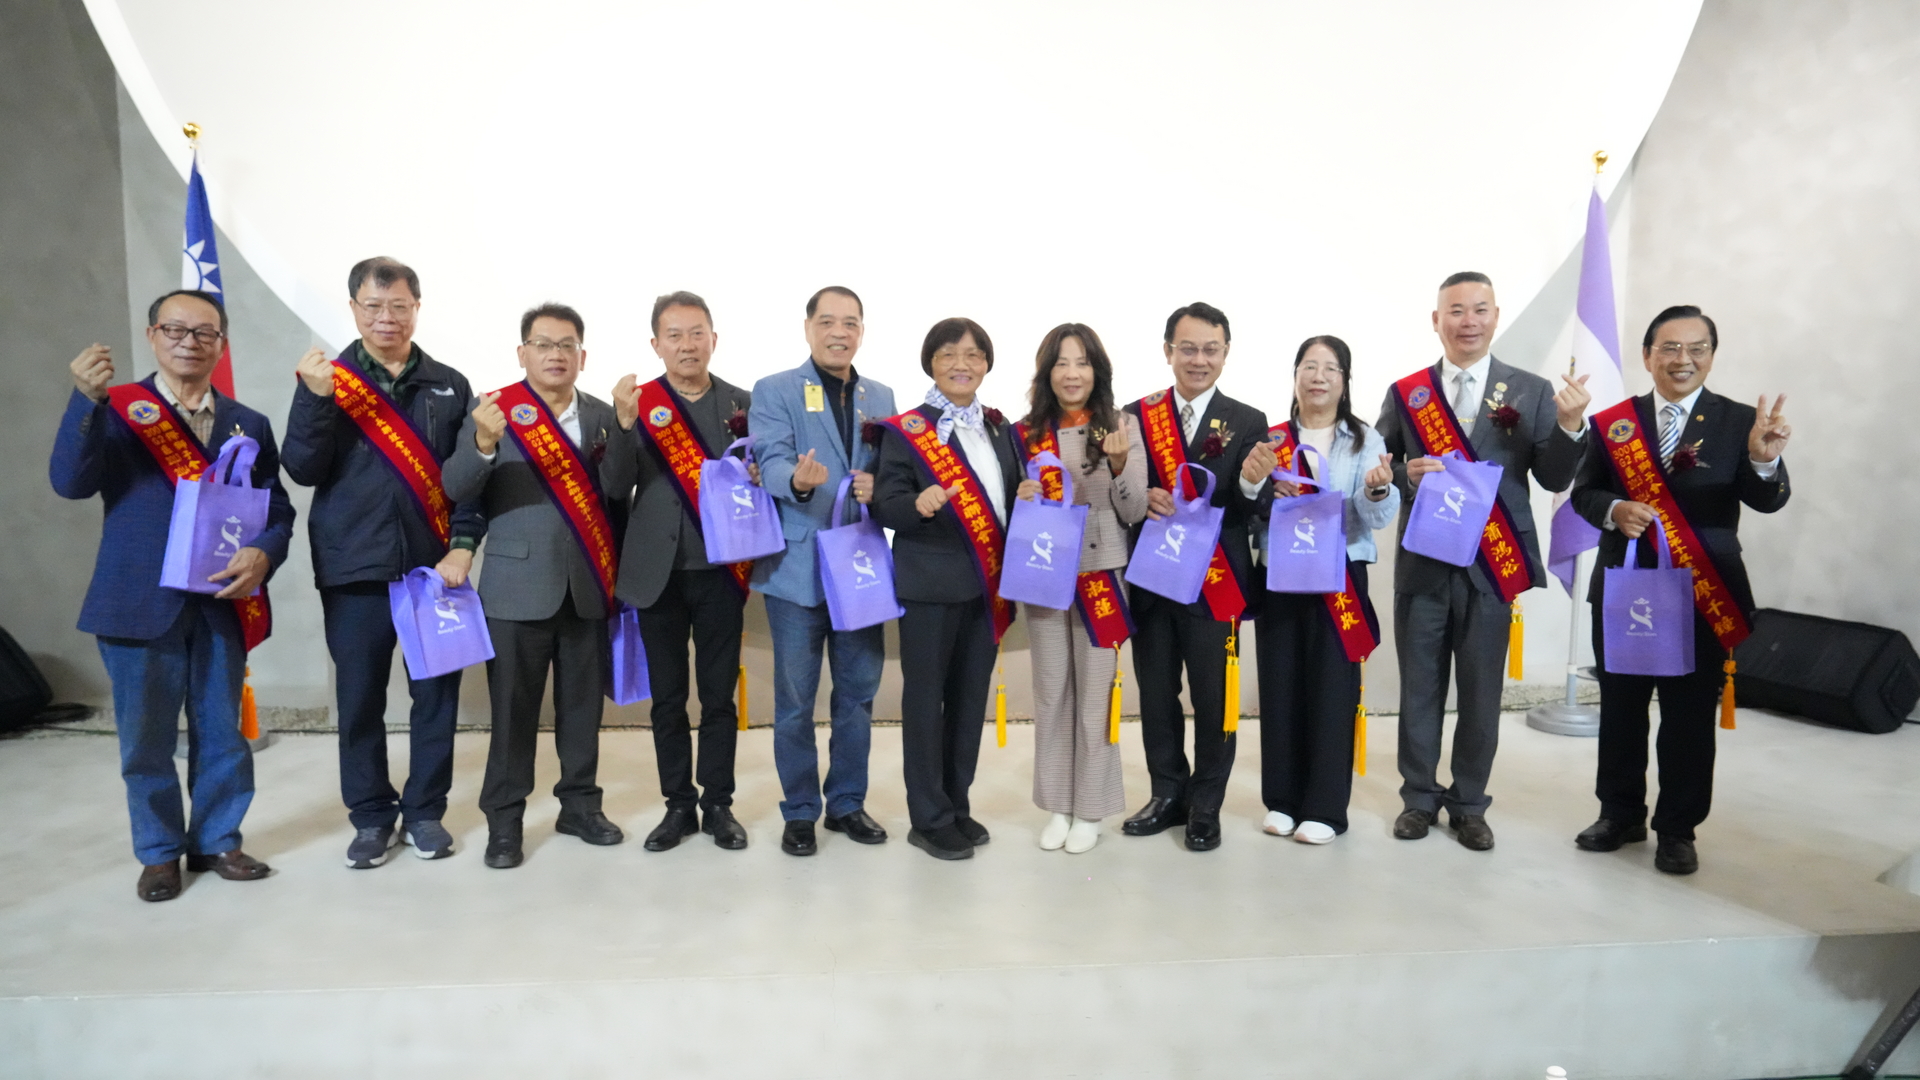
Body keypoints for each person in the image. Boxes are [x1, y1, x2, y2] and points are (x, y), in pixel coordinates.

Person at [50, 289, 295, 901]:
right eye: (176, 330)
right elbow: (69, 482)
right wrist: (84, 400)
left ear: (221, 344)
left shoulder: (247, 422)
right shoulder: (117, 408)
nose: (190, 342)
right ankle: (159, 854)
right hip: (136, 602)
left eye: (204, 332)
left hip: (219, 602)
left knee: (222, 734)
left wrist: (264, 552)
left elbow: (277, 508)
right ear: (153, 336)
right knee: (147, 741)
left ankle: (217, 840)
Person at [1569, 305, 1790, 875]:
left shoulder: (1740, 421)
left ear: (1711, 356)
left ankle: (1677, 829)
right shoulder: (1615, 423)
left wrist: (1764, 462)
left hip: (1702, 591)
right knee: (1621, 707)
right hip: (1626, 587)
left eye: (1697, 348)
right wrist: (1614, 509)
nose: (1682, 359)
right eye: (1669, 348)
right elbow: (1584, 493)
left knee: (1689, 715)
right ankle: (1619, 814)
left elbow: (1767, 501)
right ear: (1648, 356)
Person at [1375, 271, 1591, 851]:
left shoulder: (1532, 391)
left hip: (1493, 567)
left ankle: (1470, 803)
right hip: (1424, 564)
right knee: (1420, 688)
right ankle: (1418, 798)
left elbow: (1554, 477)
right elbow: (1380, 470)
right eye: (1455, 310)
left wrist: (1570, 427)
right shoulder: (1408, 392)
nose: (1467, 321)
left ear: (1495, 316)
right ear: (1436, 320)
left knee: (1479, 692)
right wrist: (1403, 475)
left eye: (1479, 309)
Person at [283, 257, 485, 869]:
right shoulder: (328, 380)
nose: (386, 318)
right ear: (353, 309)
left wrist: (463, 544)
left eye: (398, 306)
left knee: (436, 699)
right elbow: (302, 468)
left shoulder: (449, 384)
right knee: (360, 700)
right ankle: (371, 817)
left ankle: (425, 812)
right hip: (354, 568)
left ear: (416, 308)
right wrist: (315, 401)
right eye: (373, 306)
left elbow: (470, 479)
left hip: (433, 572)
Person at [442, 303, 636, 869]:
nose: (556, 354)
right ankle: (504, 822)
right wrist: (482, 444)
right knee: (513, 714)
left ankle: (580, 806)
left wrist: (626, 431)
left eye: (567, 345)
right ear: (522, 353)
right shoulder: (493, 411)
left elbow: (618, 489)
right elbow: (457, 487)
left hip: (587, 584)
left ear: (582, 355)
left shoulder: (603, 415)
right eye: (544, 344)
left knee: (582, 710)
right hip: (515, 587)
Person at [748, 287, 896, 857]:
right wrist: (797, 480)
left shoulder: (881, 395)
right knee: (794, 701)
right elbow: (770, 458)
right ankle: (801, 810)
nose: (840, 332)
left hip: (859, 565)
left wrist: (881, 484)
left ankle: (847, 804)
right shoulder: (776, 389)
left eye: (851, 323)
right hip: (798, 568)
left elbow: (892, 469)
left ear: (862, 331)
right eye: (828, 321)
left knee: (857, 694)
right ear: (808, 327)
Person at [1118, 302, 1267, 852]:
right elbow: (1121, 494)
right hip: (1154, 581)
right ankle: (1166, 793)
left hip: (1214, 584)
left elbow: (1254, 506)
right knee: (1157, 693)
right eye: (1188, 348)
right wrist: (1142, 494)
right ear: (1168, 351)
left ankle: (1206, 804)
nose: (1198, 360)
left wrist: (1251, 483)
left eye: (1210, 349)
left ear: (1225, 353)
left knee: (1213, 697)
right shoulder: (1135, 415)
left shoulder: (1248, 420)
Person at [872, 317, 1022, 860]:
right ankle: (929, 818)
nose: (963, 364)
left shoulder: (1000, 428)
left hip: (987, 588)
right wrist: (917, 504)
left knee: (968, 700)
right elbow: (884, 504)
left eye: (974, 354)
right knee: (924, 702)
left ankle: (957, 805)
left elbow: (1005, 502)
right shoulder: (904, 431)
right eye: (949, 354)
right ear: (930, 363)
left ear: (986, 364)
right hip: (930, 587)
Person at [1243, 336, 1398, 845]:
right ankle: (1282, 801)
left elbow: (1376, 514)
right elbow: (1249, 510)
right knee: (1280, 686)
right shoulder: (1271, 440)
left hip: (1339, 577)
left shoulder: (1364, 439)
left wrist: (1377, 487)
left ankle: (1326, 809)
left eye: (1331, 368)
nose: (1318, 377)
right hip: (1282, 575)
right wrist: (1262, 488)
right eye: (1309, 366)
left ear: (1345, 381)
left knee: (1332, 691)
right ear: (1295, 377)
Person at [617, 291, 756, 853]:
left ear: (713, 339)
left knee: (719, 696)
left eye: (697, 333)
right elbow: (613, 485)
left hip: (721, 570)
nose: (687, 345)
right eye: (674, 335)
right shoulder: (638, 403)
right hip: (659, 574)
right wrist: (624, 426)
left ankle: (718, 803)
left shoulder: (743, 403)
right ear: (656, 344)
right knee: (668, 699)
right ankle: (678, 805)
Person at [1011, 324, 1147, 854]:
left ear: (1098, 371)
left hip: (1101, 575)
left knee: (1096, 696)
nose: (1072, 374)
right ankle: (1058, 805)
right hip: (1046, 574)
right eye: (1062, 363)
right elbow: (1010, 514)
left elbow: (1134, 509)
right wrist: (1021, 496)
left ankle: (1090, 808)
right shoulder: (1026, 433)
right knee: (1051, 692)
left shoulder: (1122, 425)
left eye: (1083, 363)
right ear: (1047, 372)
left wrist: (1119, 464)